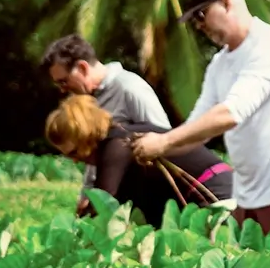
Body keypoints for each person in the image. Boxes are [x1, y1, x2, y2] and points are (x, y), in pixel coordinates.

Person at [128, 0, 270, 234]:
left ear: (226, 3)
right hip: (247, 199)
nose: (199, 26)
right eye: (195, 21)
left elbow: (231, 113)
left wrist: (164, 143)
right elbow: (198, 129)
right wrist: (159, 146)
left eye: (202, 15)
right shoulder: (219, 65)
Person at [45, 95, 233, 226]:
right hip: (221, 190)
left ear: (86, 136)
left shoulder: (118, 145)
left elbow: (102, 206)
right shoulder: (124, 138)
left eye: (75, 152)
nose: (77, 161)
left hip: (215, 196)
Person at [41, 35, 173, 208]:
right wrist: (88, 194)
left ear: (82, 67)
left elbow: (164, 139)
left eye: (64, 81)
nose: (62, 89)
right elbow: (92, 152)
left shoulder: (129, 87)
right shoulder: (84, 98)